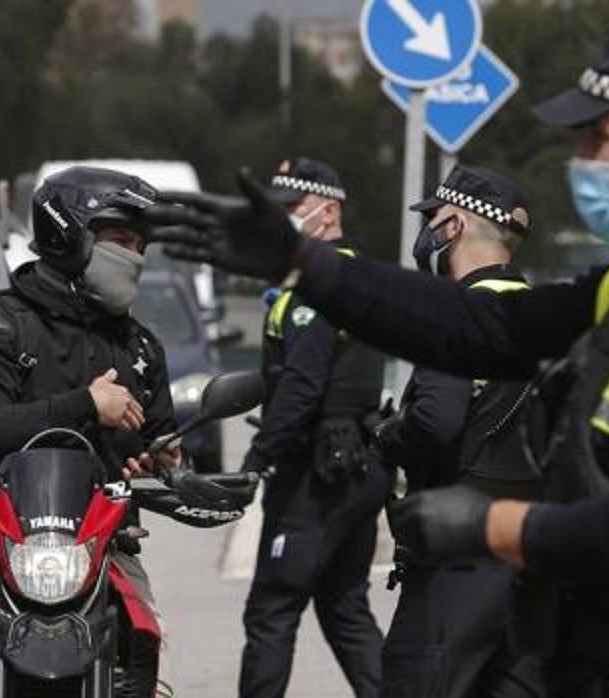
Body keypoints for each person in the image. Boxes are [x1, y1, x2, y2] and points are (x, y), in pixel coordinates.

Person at [147, 22, 609, 697]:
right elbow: (480, 327)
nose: (581, 158)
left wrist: (491, 524)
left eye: (598, 139)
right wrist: (304, 265)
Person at [0, 166, 183, 698]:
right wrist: (85, 404)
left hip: (102, 545)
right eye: (119, 240)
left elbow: (158, 440)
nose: (133, 256)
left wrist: (161, 463)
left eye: (139, 244)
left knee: (151, 641)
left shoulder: (140, 348)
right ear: (68, 235)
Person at [371, 165, 543, 698]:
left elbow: (436, 421)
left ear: (455, 227)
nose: (427, 234)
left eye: (434, 219)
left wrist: (386, 435)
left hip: (455, 568)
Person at [239, 157, 390, 698]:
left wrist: (257, 458)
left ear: (328, 212)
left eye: (291, 209)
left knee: (271, 611)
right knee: (345, 608)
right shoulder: (355, 276)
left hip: (316, 476)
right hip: (355, 467)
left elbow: (302, 385)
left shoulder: (318, 289)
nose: (281, 220)